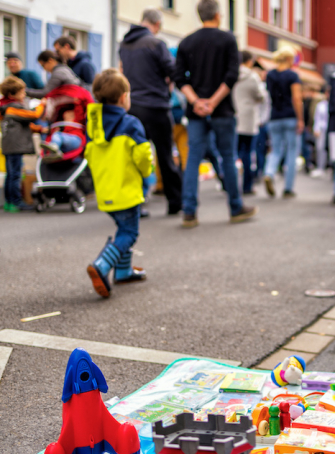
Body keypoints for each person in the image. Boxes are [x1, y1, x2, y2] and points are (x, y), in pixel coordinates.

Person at [175, 0, 258, 227]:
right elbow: (231, 75)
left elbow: (179, 77)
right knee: (228, 157)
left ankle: (189, 211)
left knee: (193, 158)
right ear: (218, 15)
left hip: (195, 111)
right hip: (222, 109)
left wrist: (197, 102)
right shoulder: (228, 40)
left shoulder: (186, 42)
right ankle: (235, 206)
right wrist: (213, 101)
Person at [85, 69, 153, 298]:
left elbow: (88, 155)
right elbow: (143, 156)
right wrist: (147, 173)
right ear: (124, 97)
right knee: (129, 233)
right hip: (126, 189)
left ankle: (123, 271)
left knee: (123, 229)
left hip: (105, 190)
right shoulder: (131, 123)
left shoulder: (93, 125)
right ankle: (102, 265)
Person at [119, 8, 182, 215]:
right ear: (156, 24)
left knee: (136, 156)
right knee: (164, 155)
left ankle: (136, 203)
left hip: (133, 106)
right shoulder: (156, 43)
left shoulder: (124, 45)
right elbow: (172, 71)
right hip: (156, 106)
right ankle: (175, 203)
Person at [0, 76, 46, 212]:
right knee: (15, 174)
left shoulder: (6, 108)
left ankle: (9, 202)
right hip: (15, 146)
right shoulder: (12, 108)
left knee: (11, 173)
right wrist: (42, 104)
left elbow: (24, 124)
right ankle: (15, 202)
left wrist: (40, 129)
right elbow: (33, 115)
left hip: (9, 146)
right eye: (22, 92)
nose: (24, 94)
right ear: (12, 95)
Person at [263, 46, 304, 198]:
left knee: (275, 150)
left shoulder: (270, 75)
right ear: (289, 59)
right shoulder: (292, 76)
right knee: (292, 152)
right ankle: (288, 188)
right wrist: (300, 119)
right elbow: (297, 98)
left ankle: (269, 173)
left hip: (274, 116)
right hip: (290, 116)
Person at [233, 51, 266, 195]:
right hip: (248, 119)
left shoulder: (231, 74)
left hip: (233, 116)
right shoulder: (252, 77)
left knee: (233, 153)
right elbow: (261, 96)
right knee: (247, 152)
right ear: (249, 61)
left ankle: (230, 184)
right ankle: (247, 185)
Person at [311, 85, 330, 178]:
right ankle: (320, 167)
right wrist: (316, 129)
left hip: (330, 129)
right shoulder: (321, 105)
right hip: (322, 129)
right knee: (320, 148)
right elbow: (317, 118)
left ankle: (329, 167)